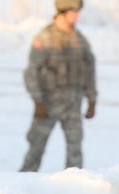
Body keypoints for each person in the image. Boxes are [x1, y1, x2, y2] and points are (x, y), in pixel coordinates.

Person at [20, 0, 97, 172]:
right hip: (48, 103)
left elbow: (89, 70)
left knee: (75, 151)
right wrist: (38, 101)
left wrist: (92, 99)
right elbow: (31, 72)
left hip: (73, 105)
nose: (77, 16)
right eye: (73, 12)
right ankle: (22, 186)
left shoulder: (79, 40)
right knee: (35, 149)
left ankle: (73, 188)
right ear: (62, 12)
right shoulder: (44, 38)